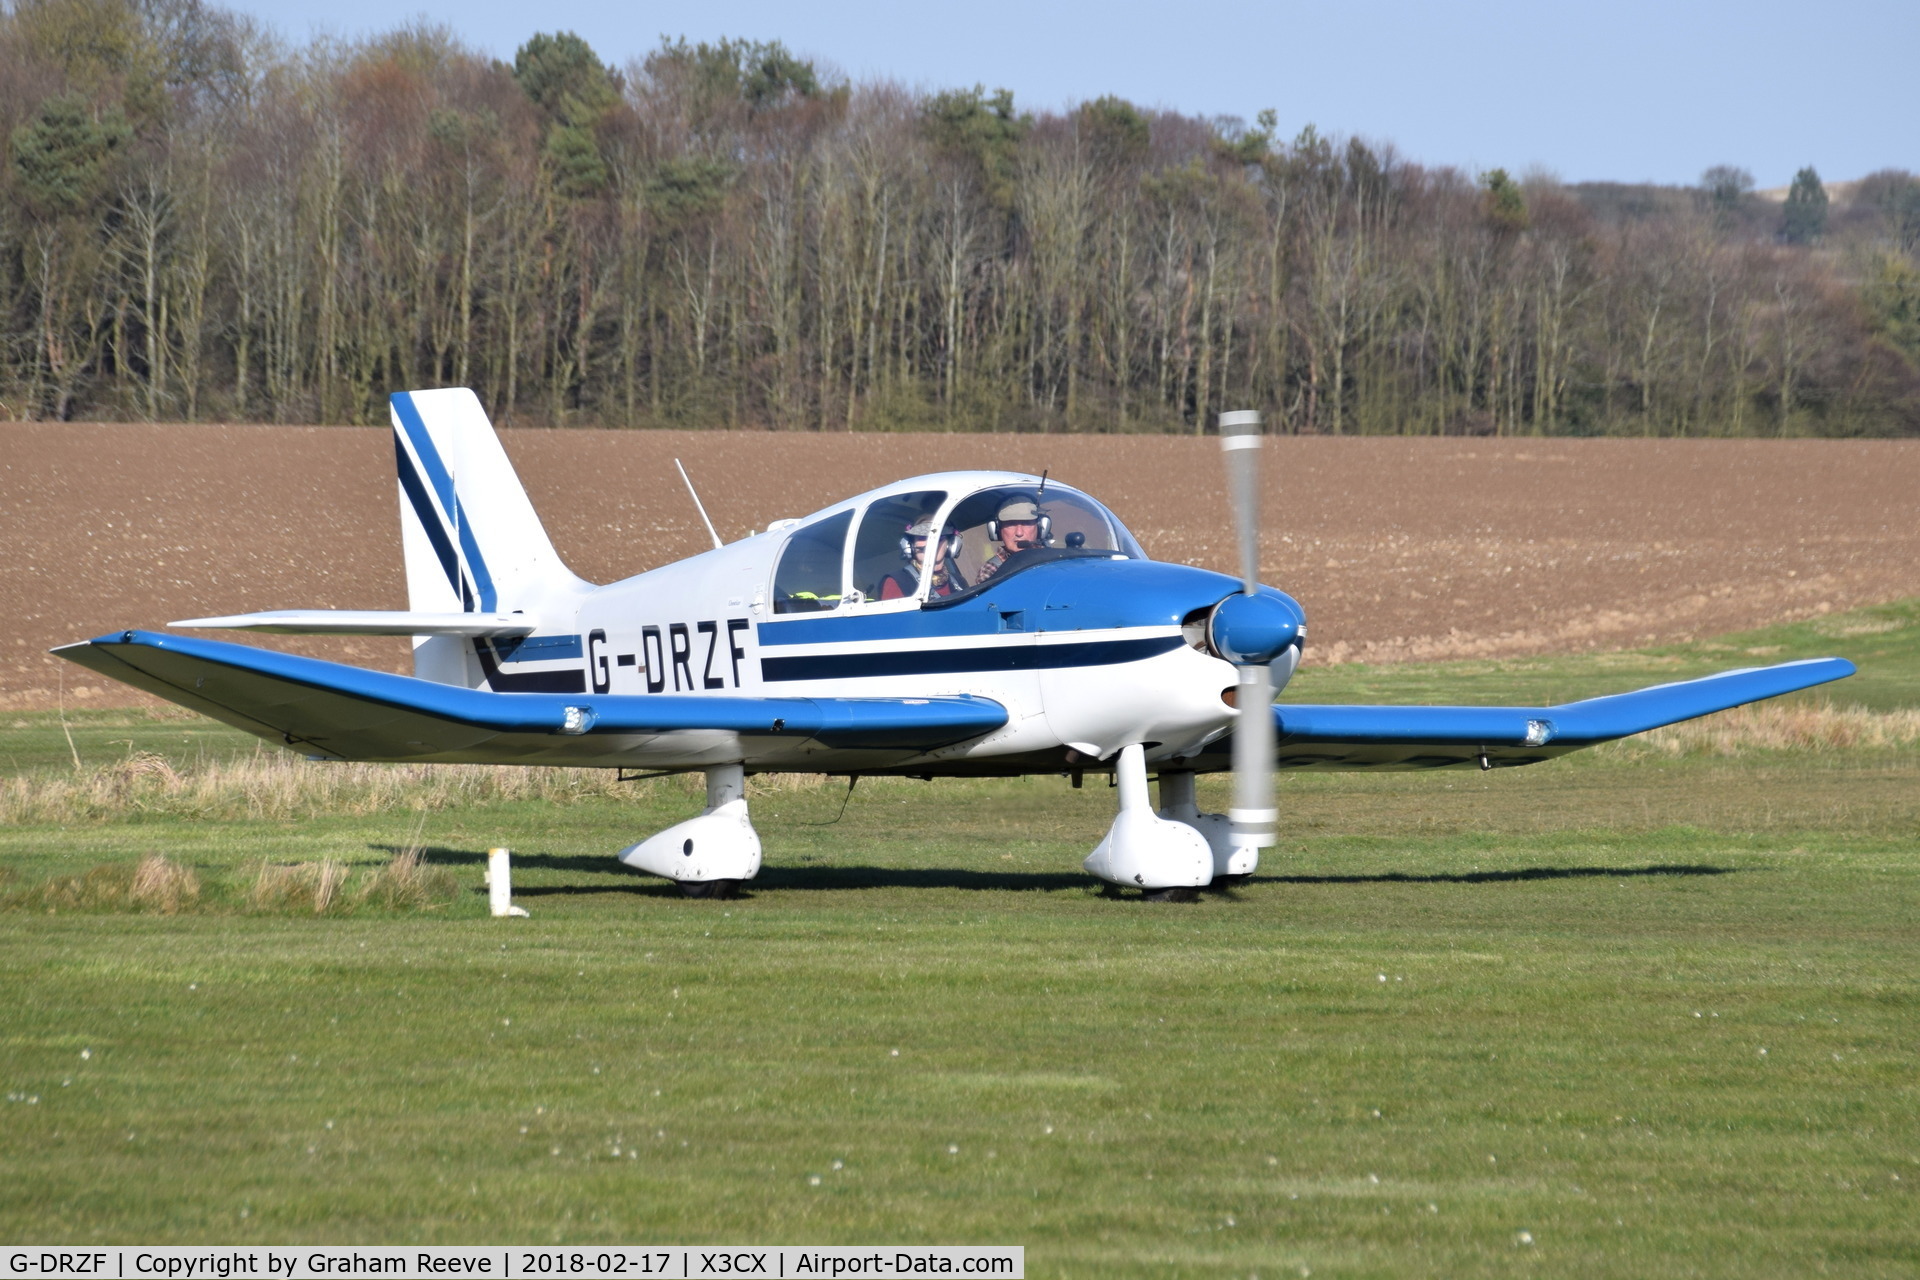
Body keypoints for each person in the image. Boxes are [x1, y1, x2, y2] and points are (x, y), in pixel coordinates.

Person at [879, 518, 962, 599]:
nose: (930, 543)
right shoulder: (898, 582)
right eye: (922, 537)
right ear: (910, 546)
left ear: (951, 545)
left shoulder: (959, 582)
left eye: (937, 537)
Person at [976, 496, 1048, 581]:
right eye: (1010, 524)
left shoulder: (1055, 558)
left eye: (1027, 523)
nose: (1019, 533)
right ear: (997, 529)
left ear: (1040, 527)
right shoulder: (990, 571)